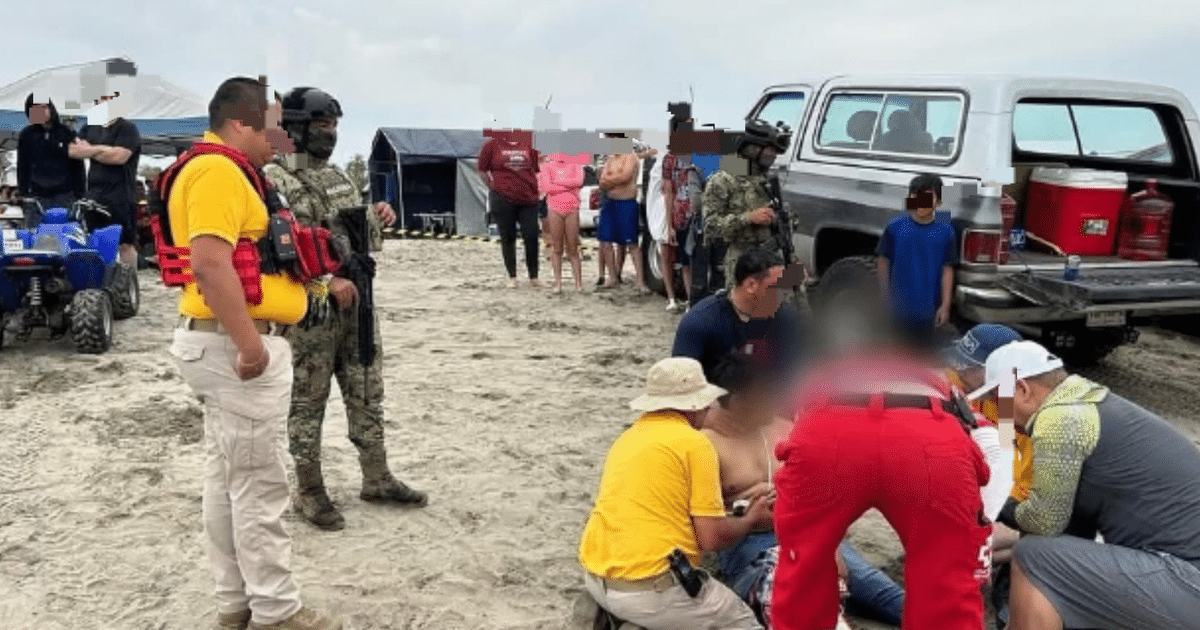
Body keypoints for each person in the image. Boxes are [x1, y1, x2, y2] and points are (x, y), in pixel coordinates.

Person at [164, 76, 340, 630]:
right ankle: (276, 613)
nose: (281, 137)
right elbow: (211, 261)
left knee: (227, 480)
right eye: (272, 126)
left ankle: (235, 603)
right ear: (241, 123)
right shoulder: (217, 169)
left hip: (213, 340)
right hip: (232, 344)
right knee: (260, 486)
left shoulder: (215, 168)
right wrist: (249, 346)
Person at [262, 86, 426, 532]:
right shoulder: (274, 180)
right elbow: (279, 249)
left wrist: (378, 217)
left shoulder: (339, 176)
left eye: (334, 126)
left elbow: (363, 239)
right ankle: (310, 491)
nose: (329, 134)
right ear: (295, 127)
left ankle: (377, 477)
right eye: (321, 126)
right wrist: (323, 281)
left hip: (358, 302)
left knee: (366, 389)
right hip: (310, 310)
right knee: (307, 400)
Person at [970, 341, 1200, 630]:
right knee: (1046, 554)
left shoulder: (1059, 420)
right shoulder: (1088, 404)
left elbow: (1044, 522)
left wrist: (994, 501)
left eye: (997, 398)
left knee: (1035, 556)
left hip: (1185, 580)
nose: (996, 411)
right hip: (1180, 575)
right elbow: (1068, 529)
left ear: (1022, 389)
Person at [771, 351, 993, 630]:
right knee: (946, 586)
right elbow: (994, 450)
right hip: (930, 429)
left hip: (830, 422)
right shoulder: (980, 386)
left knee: (802, 573)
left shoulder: (813, 367)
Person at [702, 353, 906, 627]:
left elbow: (831, 490)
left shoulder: (788, 428)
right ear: (739, 401)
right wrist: (743, 508)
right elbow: (701, 524)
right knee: (788, 600)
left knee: (890, 599)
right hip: (752, 542)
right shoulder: (705, 443)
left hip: (811, 533)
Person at [578, 356, 768, 630]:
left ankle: (624, 618)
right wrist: (750, 520)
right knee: (744, 623)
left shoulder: (629, 438)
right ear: (695, 405)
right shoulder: (695, 445)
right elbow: (712, 538)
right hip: (651, 587)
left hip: (597, 576)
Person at [671, 248, 806, 386]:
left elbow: (794, 376)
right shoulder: (700, 322)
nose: (785, 293)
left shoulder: (786, 318)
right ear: (750, 285)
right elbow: (679, 383)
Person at [703, 120, 789, 295]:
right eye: (770, 150)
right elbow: (710, 226)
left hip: (772, 260)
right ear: (753, 149)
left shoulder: (766, 180)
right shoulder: (723, 180)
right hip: (743, 265)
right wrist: (747, 218)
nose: (773, 156)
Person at [877, 173, 958, 351]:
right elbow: (883, 261)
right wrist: (885, 296)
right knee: (896, 358)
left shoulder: (946, 232)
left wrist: (945, 306)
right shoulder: (895, 226)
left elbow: (948, 269)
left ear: (938, 202)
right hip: (896, 310)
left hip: (928, 313)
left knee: (922, 360)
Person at [71, 91, 143, 268]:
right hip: (93, 195)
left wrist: (91, 150)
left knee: (124, 243)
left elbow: (119, 157)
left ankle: (128, 285)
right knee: (93, 240)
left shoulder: (127, 128)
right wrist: (103, 151)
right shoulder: (89, 127)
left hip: (120, 196)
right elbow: (73, 150)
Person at [478, 128, 541, 288]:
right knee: (508, 237)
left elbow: (536, 169)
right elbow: (482, 169)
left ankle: (534, 276)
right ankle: (512, 277)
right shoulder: (491, 145)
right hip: (502, 198)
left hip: (528, 198)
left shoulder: (529, 145)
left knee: (532, 236)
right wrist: (493, 186)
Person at [17, 94, 86, 227]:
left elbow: (78, 166)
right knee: (34, 235)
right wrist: (23, 192)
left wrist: (80, 195)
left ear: (51, 109)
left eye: (44, 107)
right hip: (36, 196)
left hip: (65, 195)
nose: (41, 112)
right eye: (35, 109)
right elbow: (22, 165)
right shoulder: (26, 135)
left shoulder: (66, 133)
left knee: (66, 234)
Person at [595, 136, 655, 287]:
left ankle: (640, 281)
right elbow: (602, 180)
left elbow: (625, 176)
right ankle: (613, 276)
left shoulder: (630, 157)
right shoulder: (610, 159)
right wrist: (614, 180)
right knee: (606, 241)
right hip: (610, 202)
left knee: (631, 243)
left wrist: (611, 179)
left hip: (626, 202)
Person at [660, 107, 703, 313]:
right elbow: (668, 192)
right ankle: (689, 302)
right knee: (685, 261)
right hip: (680, 215)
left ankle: (695, 301)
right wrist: (669, 226)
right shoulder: (669, 159)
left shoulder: (701, 155)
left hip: (700, 214)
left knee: (700, 260)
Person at [536, 152, 586, 293]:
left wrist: (557, 181)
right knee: (557, 248)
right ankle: (558, 282)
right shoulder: (547, 167)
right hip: (555, 209)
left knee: (573, 248)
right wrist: (567, 185)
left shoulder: (576, 164)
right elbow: (547, 187)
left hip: (572, 208)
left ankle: (578, 283)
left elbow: (578, 182)